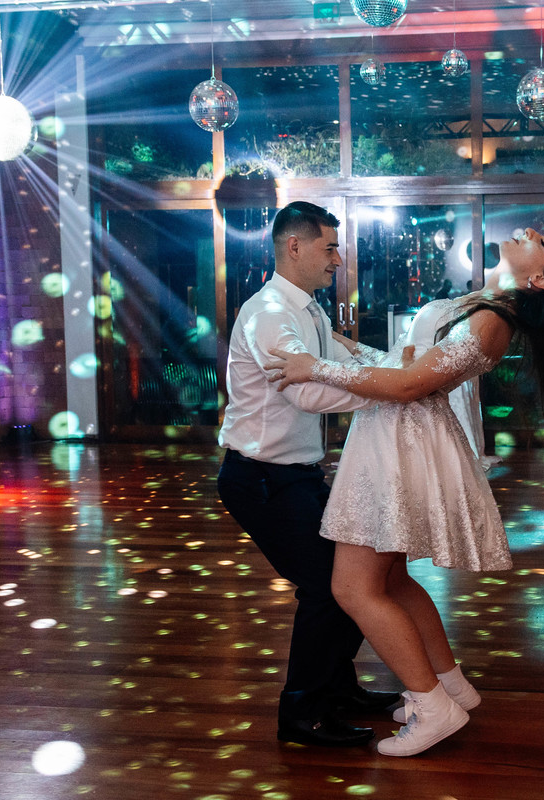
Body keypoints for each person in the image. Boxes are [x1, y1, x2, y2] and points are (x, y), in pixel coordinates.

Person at [266, 226, 544, 757]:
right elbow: (412, 364)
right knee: (390, 578)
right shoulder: (486, 303)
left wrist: (316, 366)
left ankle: (431, 706)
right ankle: (450, 685)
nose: (535, 231)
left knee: (354, 589)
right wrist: (351, 348)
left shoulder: (493, 321)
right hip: (397, 439)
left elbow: (409, 386)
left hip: (400, 449)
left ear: (538, 277)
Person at [215, 201, 400, 748]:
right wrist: (386, 391)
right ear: (294, 247)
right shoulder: (271, 313)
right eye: (330, 247)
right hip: (260, 479)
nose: (338, 259)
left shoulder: (312, 310)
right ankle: (300, 714)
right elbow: (311, 391)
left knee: (349, 584)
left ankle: (338, 690)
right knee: (329, 587)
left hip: (293, 475)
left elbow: (347, 357)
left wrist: (402, 369)